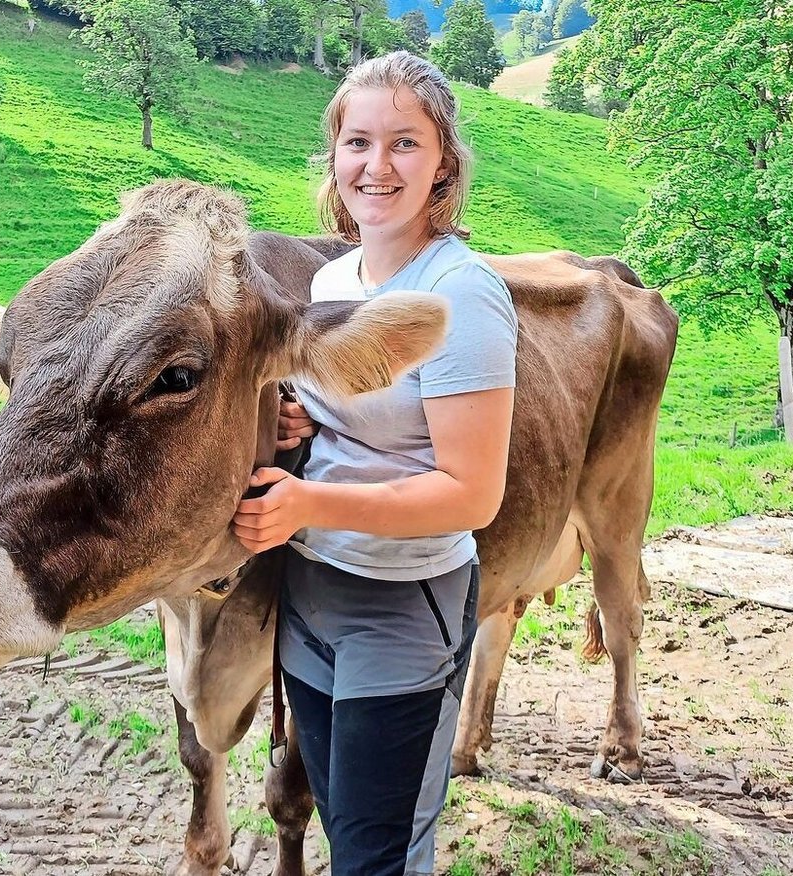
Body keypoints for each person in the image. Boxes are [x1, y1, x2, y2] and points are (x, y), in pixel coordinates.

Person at [229, 51, 517, 876]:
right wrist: (296, 427)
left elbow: (472, 494)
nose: (376, 166)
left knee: (377, 857)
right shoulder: (333, 282)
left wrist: (309, 507)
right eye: (358, 142)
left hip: (404, 604)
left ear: (443, 165)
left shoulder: (462, 293)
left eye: (404, 143)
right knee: (343, 831)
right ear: (334, 159)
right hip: (313, 596)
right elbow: (347, 429)